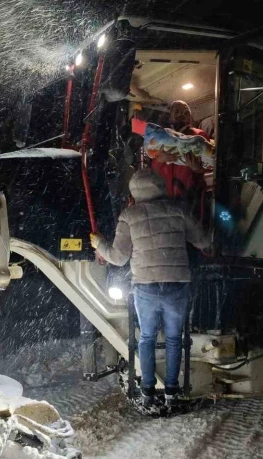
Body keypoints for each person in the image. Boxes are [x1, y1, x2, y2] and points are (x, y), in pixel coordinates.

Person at [90, 169, 210, 407]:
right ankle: (172, 392)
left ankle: (147, 391)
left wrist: (98, 243)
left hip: (146, 287)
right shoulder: (178, 210)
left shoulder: (129, 216)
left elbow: (118, 257)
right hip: (177, 284)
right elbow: (204, 241)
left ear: (134, 192)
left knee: (146, 338)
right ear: (160, 187)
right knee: (175, 338)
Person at [151, 100, 212, 207]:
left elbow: (210, 163)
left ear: (190, 117)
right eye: (177, 111)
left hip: (191, 196)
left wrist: (197, 168)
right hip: (166, 196)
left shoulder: (199, 135)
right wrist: (159, 159)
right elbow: (154, 169)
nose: (181, 115)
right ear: (170, 116)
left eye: (185, 112)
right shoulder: (162, 137)